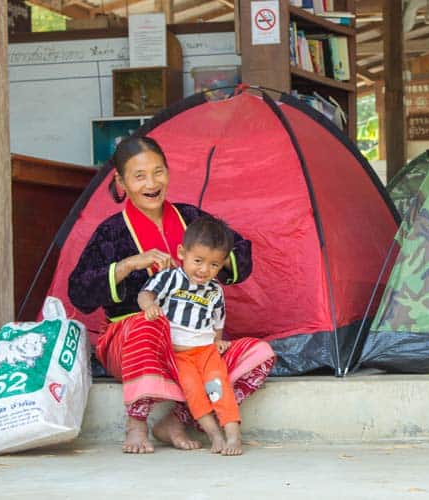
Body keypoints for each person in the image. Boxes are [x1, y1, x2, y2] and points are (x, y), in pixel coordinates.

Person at [68, 136, 275, 454]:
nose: (151, 183)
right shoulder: (111, 232)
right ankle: (137, 425)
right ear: (121, 182)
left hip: (189, 346)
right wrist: (128, 264)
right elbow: (79, 291)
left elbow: (239, 251)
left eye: (158, 171)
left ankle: (178, 420)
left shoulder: (190, 218)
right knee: (148, 323)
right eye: (139, 176)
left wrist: (208, 263)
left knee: (258, 354)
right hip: (132, 342)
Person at [138, 215, 243, 455]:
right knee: (195, 393)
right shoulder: (170, 278)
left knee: (219, 387)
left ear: (222, 264)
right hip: (179, 355)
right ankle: (214, 435)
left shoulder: (215, 289)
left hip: (206, 352)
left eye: (214, 265)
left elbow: (218, 319)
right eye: (198, 260)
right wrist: (150, 306)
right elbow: (145, 294)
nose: (205, 270)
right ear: (181, 253)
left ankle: (233, 435)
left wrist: (217, 340)